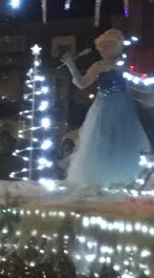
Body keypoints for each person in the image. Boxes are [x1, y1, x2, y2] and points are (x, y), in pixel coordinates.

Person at [62, 29, 149, 190]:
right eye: (103, 47)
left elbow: (136, 82)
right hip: (104, 106)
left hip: (123, 107)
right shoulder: (99, 66)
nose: (105, 50)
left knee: (122, 139)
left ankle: (123, 175)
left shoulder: (123, 65)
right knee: (101, 138)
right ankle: (101, 176)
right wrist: (71, 66)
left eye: (109, 46)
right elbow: (82, 83)